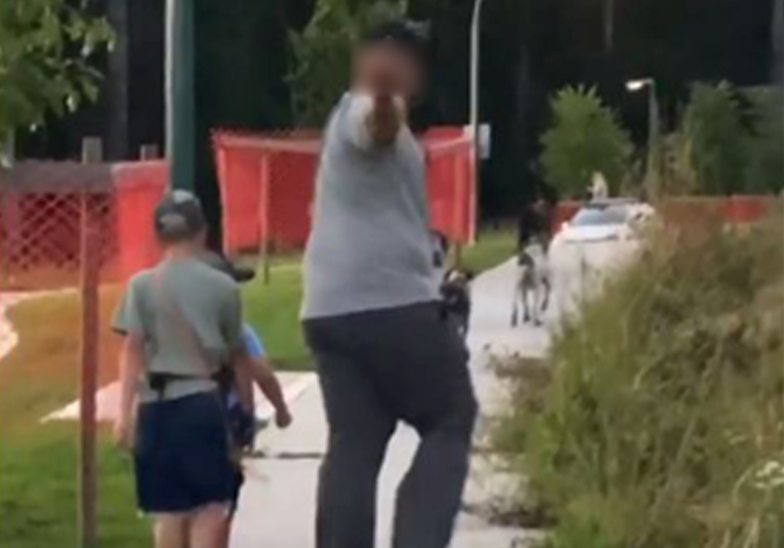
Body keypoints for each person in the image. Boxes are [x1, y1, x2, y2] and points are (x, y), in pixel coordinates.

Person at [301, 20, 477, 548]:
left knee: (357, 440)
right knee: (451, 414)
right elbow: (375, 122)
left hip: (328, 311)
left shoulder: (354, 128)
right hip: (389, 306)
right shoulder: (365, 112)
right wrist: (381, 93)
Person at [113, 191, 243, 548]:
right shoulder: (224, 287)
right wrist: (245, 410)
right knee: (209, 508)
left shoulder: (140, 286)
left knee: (167, 511)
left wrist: (124, 415)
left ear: (158, 236)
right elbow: (236, 356)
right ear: (202, 231)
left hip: (154, 408)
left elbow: (131, 350)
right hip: (201, 403)